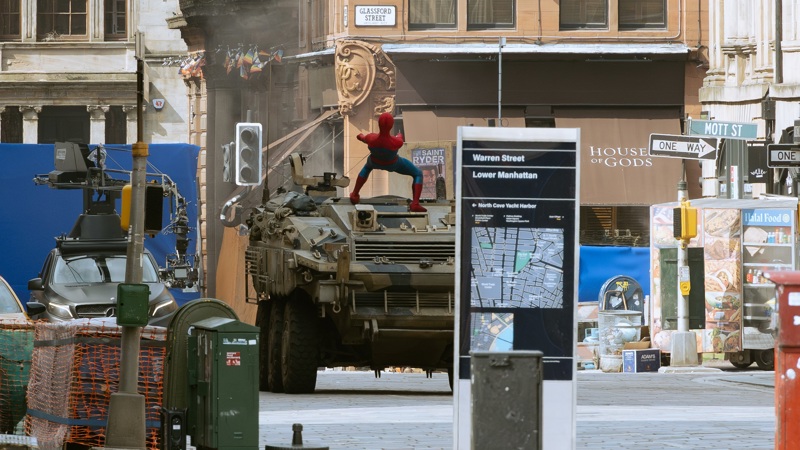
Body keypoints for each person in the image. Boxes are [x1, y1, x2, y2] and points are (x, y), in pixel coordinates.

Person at [350, 112, 427, 212]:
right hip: (393, 164)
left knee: (366, 168)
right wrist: (399, 134)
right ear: (391, 125)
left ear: (379, 124)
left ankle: (355, 194)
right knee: (418, 173)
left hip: (374, 162)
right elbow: (400, 138)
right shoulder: (396, 142)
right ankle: (415, 204)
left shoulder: (371, 138)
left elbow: (362, 138)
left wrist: (360, 135)